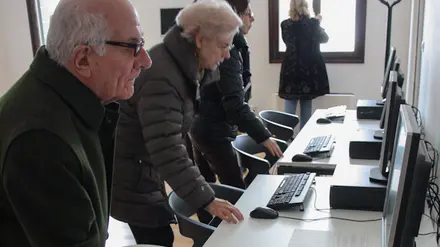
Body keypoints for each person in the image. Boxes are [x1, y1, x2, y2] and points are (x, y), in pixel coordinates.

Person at [0, 0, 151, 246]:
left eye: (141, 43)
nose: (146, 61)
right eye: (132, 46)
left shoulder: (62, 99)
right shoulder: (41, 141)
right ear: (82, 59)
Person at [111, 1, 244, 246]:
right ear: (200, 39)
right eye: (223, 45)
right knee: (159, 238)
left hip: (144, 170)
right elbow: (167, 149)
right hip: (134, 176)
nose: (227, 55)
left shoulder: (179, 66)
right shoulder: (163, 76)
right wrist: (207, 199)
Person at [190, 0, 283, 190]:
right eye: (249, 13)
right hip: (212, 130)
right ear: (236, 17)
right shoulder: (229, 50)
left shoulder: (221, 44)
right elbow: (234, 104)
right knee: (235, 191)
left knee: (207, 189)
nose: (253, 18)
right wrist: (263, 136)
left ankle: (209, 221)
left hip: (201, 125)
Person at [278, 0, 330, 129]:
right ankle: (303, 139)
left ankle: (284, 139)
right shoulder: (313, 24)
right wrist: (318, 22)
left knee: (289, 108)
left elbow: (290, 40)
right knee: (306, 106)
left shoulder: (285, 25)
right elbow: (325, 38)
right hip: (308, 70)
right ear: (306, 7)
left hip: (290, 69)